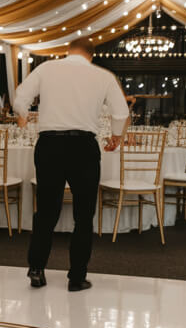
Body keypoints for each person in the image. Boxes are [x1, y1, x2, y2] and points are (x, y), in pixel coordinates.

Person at [13, 37, 129, 292]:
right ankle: (76, 277)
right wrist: (116, 136)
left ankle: (36, 269)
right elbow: (121, 113)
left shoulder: (46, 69)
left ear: (68, 51)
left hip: (49, 145)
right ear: (91, 54)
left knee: (46, 211)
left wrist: (23, 116)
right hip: (84, 147)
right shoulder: (103, 76)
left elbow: (20, 98)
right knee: (83, 215)